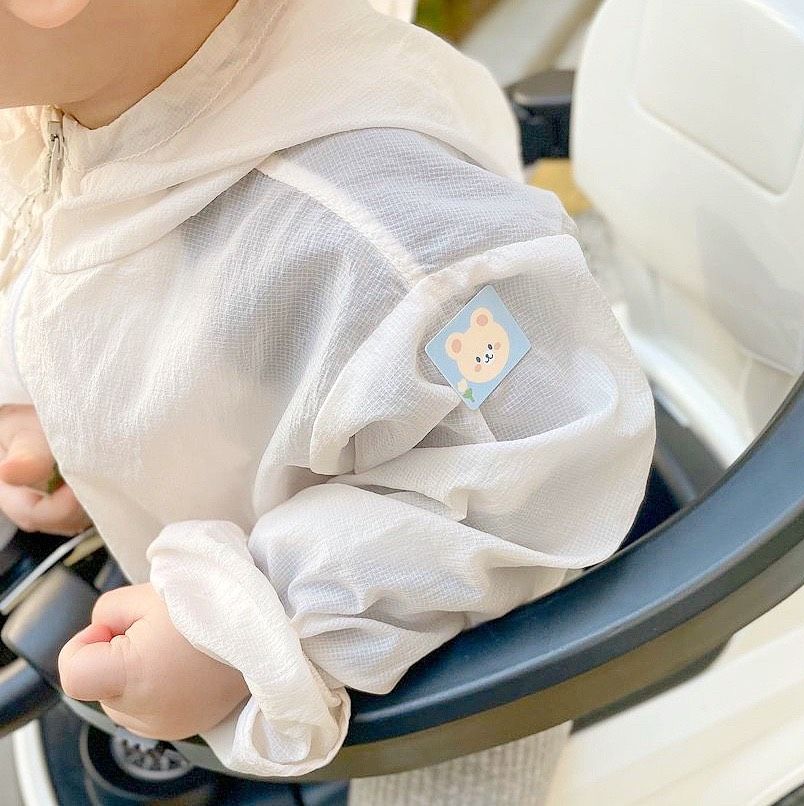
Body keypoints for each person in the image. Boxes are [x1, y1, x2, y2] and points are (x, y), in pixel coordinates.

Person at [0, 0, 656, 802]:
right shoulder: (82, 99)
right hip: (238, 516)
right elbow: (74, 253)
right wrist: (53, 405)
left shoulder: (386, 236)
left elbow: (542, 464)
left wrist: (235, 630)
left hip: (435, 678)